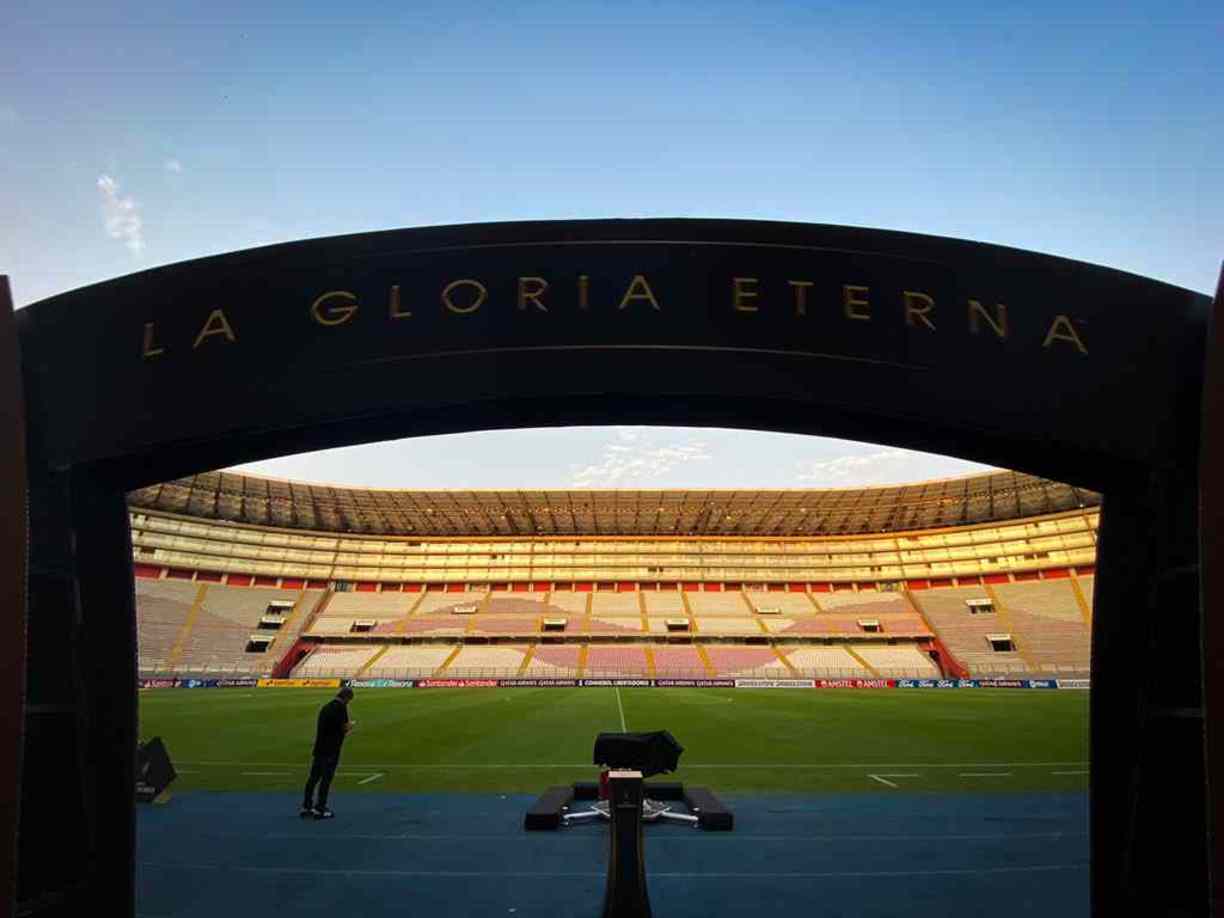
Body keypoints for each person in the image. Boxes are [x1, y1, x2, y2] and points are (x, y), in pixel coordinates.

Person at [300, 686, 355, 819]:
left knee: (313, 778)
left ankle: (306, 806)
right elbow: (343, 728)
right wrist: (350, 727)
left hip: (320, 747)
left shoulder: (325, 707)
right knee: (326, 779)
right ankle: (320, 808)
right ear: (346, 698)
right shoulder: (341, 708)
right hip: (332, 749)